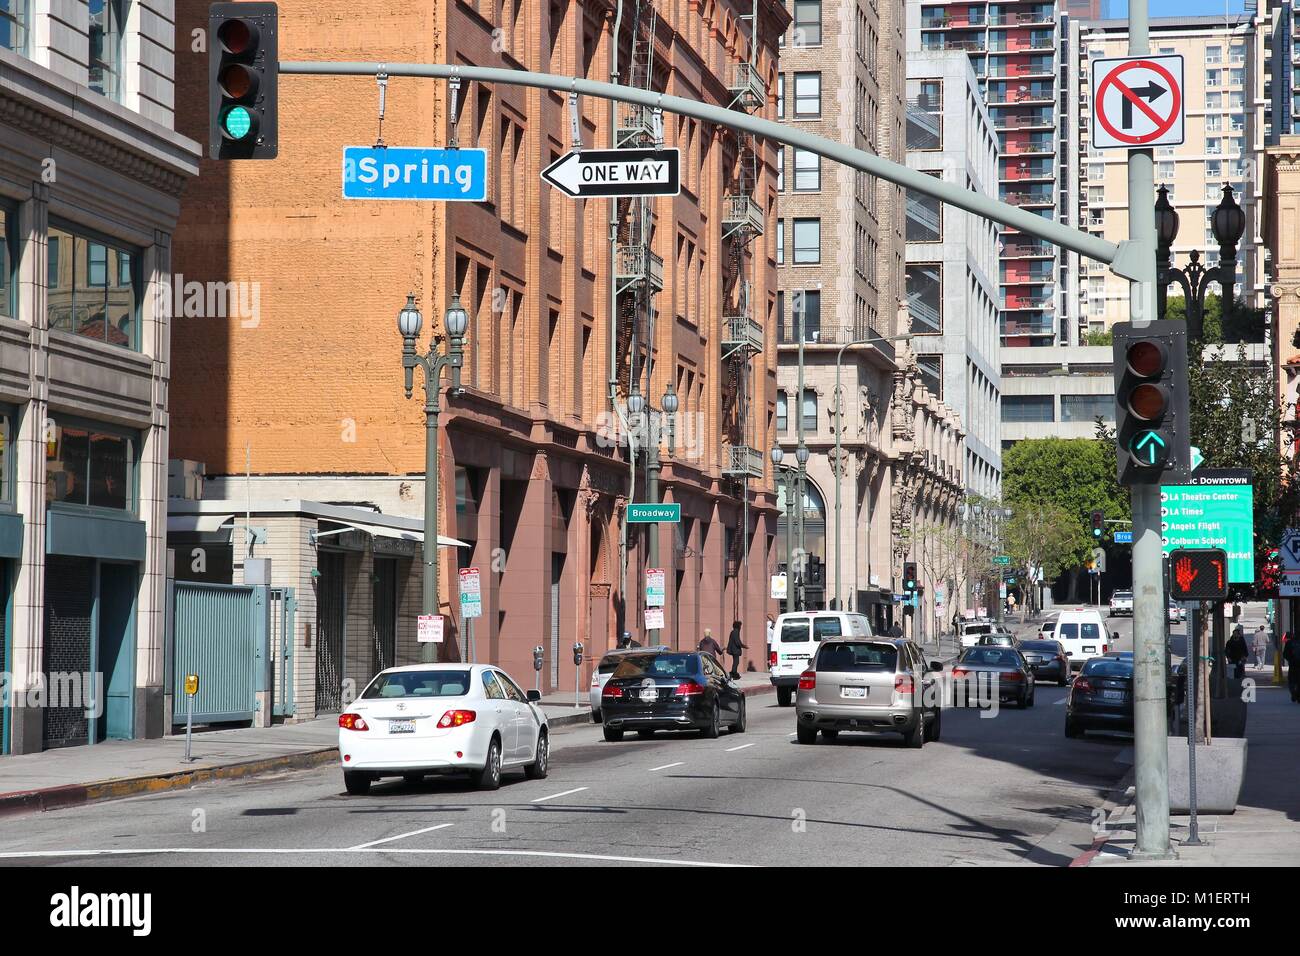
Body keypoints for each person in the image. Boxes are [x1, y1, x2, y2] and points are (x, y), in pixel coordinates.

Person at [1284, 632, 1300, 703]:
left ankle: (1294, 693)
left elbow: (1285, 654)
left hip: (1293, 665)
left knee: (1292, 681)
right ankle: (1298, 696)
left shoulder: (1289, 642)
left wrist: (1290, 660)